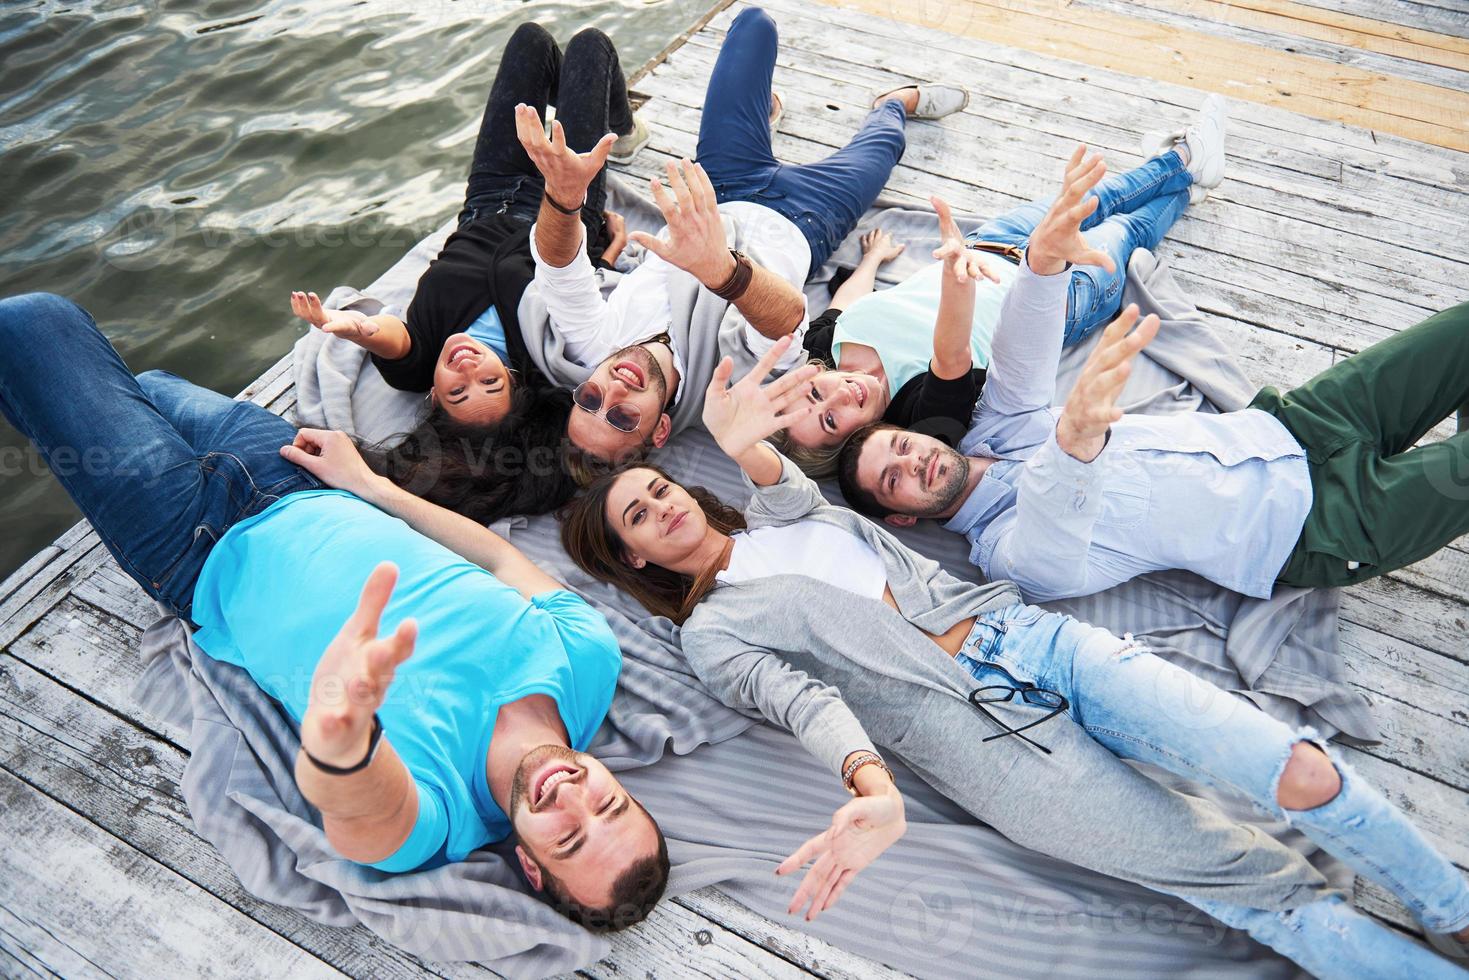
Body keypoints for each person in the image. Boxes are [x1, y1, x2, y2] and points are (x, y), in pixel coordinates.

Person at [556, 338, 1469, 978]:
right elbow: (805, 704)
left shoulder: (780, 514)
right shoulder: (713, 634)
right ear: (633, 556)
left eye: (661, 488)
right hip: (993, 756)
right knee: (1254, 889)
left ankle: (1450, 910)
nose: (666, 507)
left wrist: (734, 437)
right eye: (639, 515)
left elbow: (769, 470)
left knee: (1299, 772)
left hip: (1039, 642)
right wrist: (870, 789)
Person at [0, 292, 668, 931]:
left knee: (33, 326)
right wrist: (370, 485)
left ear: (528, 864)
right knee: (149, 383)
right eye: (607, 804)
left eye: (570, 839)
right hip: (298, 473)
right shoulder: (588, 659)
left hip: (193, 543)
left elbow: (360, 810)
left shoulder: (435, 821)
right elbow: (495, 558)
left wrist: (341, 738)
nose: (572, 796)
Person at [837, 153, 1469, 604]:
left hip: (1292, 424)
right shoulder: (1005, 552)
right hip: (1317, 527)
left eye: (899, 445)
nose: (912, 461)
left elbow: (1021, 357)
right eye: (893, 481)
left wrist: (1045, 260)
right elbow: (1053, 539)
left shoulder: (994, 429)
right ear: (902, 520)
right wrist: (1075, 440)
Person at [515, 5, 970, 471]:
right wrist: (720, 271)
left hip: (724, 184)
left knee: (754, 23)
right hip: (809, 219)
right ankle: (892, 103)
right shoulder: (729, 391)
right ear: (661, 430)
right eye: (622, 417)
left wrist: (564, 196)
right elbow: (787, 320)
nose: (612, 390)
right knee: (885, 143)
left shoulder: (592, 348)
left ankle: (762, 119)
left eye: (590, 399)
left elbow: (558, 266)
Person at [287, 21, 642, 521]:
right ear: (515, 381)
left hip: (489, 197)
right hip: (563, 206)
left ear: (433, 393)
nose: (468, 369)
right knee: (589, 46)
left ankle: (587, 110)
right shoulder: (543, 355)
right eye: (489, 384)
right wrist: (606, 254)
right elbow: (584, 296)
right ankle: (621, 128)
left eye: (456, 391)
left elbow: (389, 337)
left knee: (531, 42)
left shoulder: (417, 365)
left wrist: (352, 327)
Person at [773, 96, 1228, 478]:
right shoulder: (918, 418)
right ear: (852, 440)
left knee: (1095, 197)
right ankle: (1186, 163)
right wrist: (956, 277)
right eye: (832, 419)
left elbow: (844, 304)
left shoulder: (823, 348)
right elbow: (952, 358)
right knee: (1126, 228)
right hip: (1056, 291)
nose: (838, 395)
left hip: (991, 244)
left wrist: (872, 258)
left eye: (816, 393)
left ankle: (1187, 171)